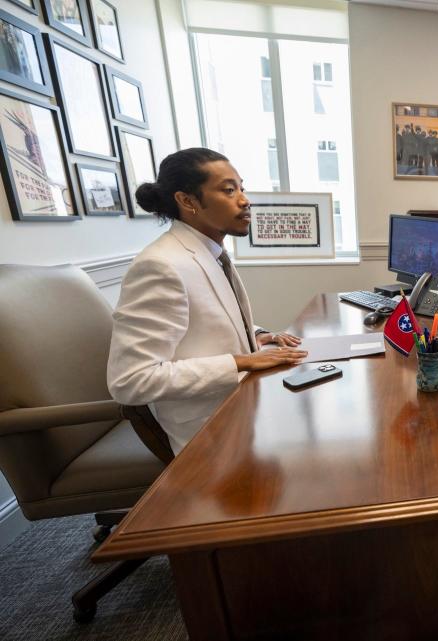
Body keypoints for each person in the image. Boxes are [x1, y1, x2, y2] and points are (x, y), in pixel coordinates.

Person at [107, 148, 307, 455]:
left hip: (244, 409)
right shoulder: (161, 265)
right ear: (187, 201)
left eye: (242, 188)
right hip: (210, 434)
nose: (244, 200)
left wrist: (256, 336)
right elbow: (131, 381)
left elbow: (203, 317)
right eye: (229, 190)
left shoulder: (205, 251)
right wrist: (242, 360)